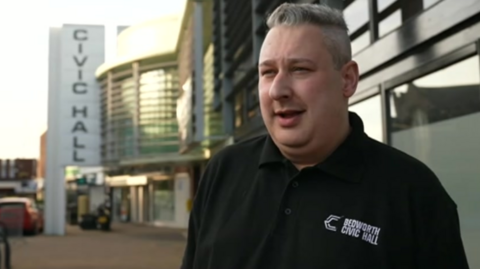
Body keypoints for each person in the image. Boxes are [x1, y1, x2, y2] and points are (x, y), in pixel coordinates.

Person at [181, 3, 470, 269]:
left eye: (300, 69)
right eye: (268, 72)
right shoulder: (223, 171)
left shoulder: (414, 193)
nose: (277, 90)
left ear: (348, 80)